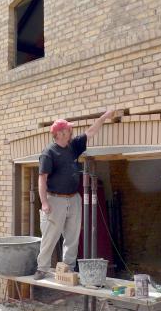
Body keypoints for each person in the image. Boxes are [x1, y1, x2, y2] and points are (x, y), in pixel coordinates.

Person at [34, 110, 114, 280]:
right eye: (68, 130)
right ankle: (42, 268)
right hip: (55, 199)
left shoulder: (73, 146)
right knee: (50, 236)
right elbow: (42, 179)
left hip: (74, 198)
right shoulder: (49, 153)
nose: (71, 132)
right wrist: (44, 202)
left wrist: (105, 117)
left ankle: (68, 268)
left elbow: (91, 131)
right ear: (60, 133)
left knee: (72, 235)